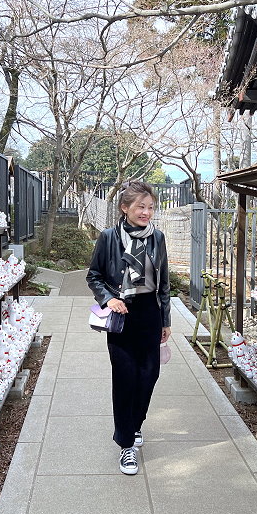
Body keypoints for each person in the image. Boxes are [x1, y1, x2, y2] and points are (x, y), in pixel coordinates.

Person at [86, 180, 171, 475]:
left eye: (150, 207)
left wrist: (166, 320)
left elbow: (164, 283)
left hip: (150, 312)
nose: (146, 212)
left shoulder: (157, 238)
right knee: (125, 378)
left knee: (149, 375)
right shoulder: (109, 237)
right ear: (125, 208)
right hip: (121, 314)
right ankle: (126, 445)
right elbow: (93, 275)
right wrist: (108, 299)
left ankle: (135, 425)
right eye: (140, 207)